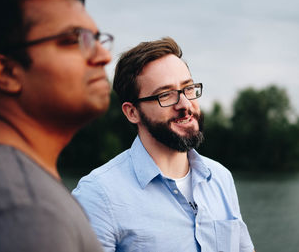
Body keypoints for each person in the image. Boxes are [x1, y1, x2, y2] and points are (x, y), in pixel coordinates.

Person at [0, 0, 113, 251]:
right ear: (7, 72)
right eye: (72, 40)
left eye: (96, 39)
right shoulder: (24, 208)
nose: (103, 55)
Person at [73, 37, 255, 252]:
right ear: (132, 112)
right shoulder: (98, 195)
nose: (185, 104)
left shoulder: (220, 177)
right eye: (166, 95)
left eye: (188, 88)